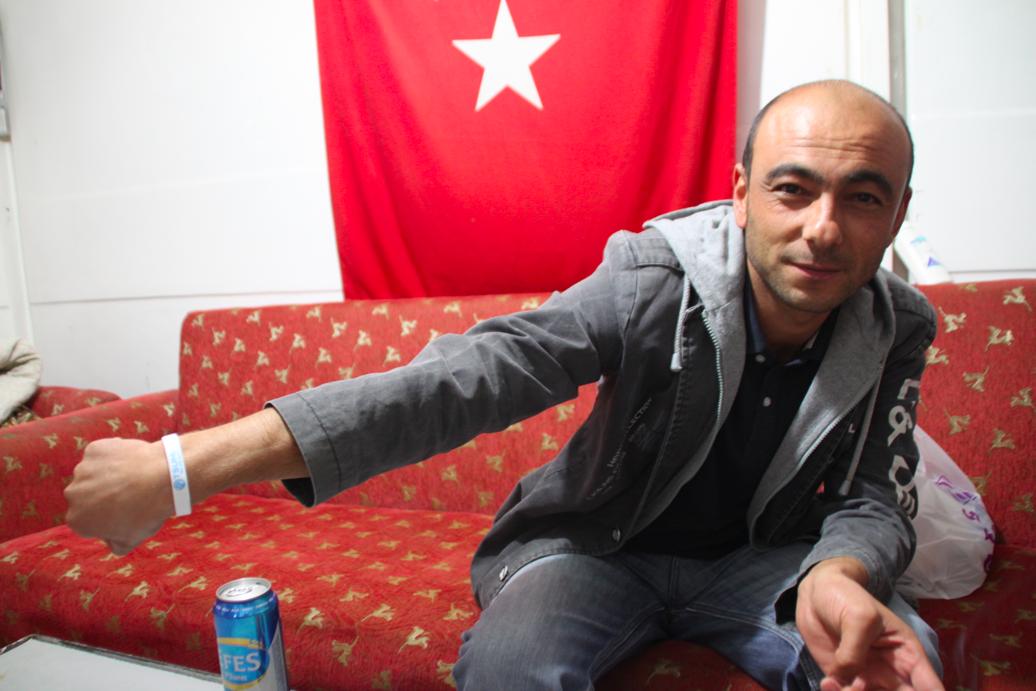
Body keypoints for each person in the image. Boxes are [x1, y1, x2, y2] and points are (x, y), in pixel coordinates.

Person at [64, 79, 944, 691]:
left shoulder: (898, 326)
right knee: (509, 670)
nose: (823, 229)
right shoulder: (652, 280)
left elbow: (877, 495)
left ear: (899, 212)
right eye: (794, 190)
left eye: (863, 198)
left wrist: (841, 570)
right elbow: (469, 378)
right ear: (742, 195)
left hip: (764, 565)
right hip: (599, 552)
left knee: (896, 660)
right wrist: (179, 466)